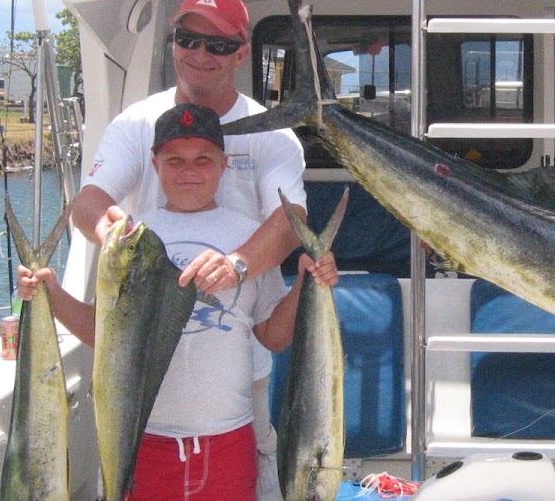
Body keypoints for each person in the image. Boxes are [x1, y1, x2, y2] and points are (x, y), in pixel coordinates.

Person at [69, 0, 323, 499]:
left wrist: (237, 264)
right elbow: (88, 202)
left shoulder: (272, 133)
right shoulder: (135, 124)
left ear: (242, 52)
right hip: (140, 362)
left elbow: (291, 216)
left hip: (240, 353)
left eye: (220, 45)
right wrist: (112, 233)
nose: (201, 55)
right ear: (173, 42)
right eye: (189, 39)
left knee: (245, 474)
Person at [20, 104, 336, 500]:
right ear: (155, 165)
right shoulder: (131, 242)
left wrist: (308, 284)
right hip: (142, 441)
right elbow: (105, 337)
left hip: (230, 440)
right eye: (175, 160)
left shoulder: (250, 240)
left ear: (224, 164)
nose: (189, 170)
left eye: (203, 159)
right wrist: (52, 294)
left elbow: (273, 336)